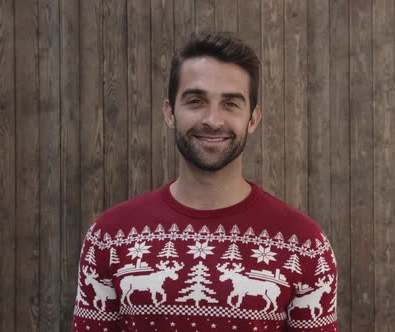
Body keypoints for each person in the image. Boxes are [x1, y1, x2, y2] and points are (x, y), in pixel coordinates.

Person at [71, 32, 338, 332]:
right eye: (196, 101)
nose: (213, 120)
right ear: (170, 112)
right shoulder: (108, 237)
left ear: (253, 119)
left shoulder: (305, 245)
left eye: (231, 104)